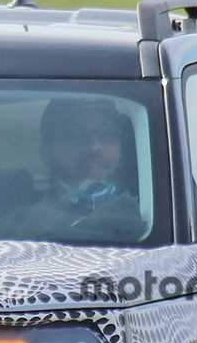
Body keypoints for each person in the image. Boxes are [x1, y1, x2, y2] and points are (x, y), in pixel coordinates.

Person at [27, 99, 144, 238]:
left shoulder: (158, 210)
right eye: (77, 136)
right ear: (46, 152)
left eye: (107, 135)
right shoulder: (22, 225)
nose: (95, 147)